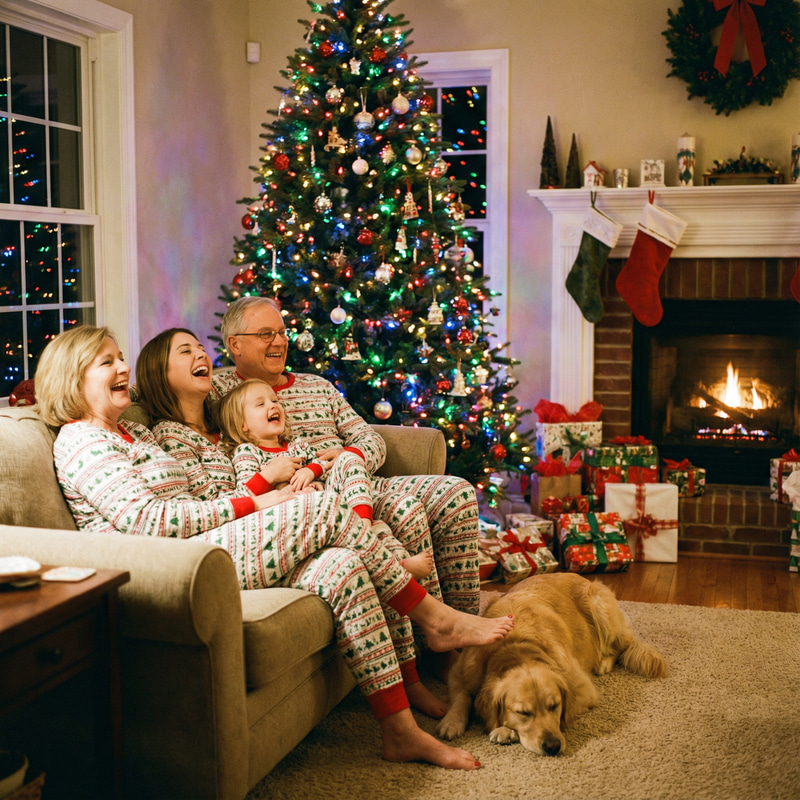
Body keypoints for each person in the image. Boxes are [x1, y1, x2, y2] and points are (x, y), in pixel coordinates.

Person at [34, 325, 514, 769]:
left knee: (342, 565)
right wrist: (255, 501)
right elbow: (149, 520)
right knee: (318, 508)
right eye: (107, 362)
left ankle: (400, 731)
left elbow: (199, 488)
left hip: (207, 539)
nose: (123, 367)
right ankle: (435, 618)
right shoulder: (83, 441)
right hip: (171, 562)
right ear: (72, 380)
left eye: (121, 357)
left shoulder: (133, 430)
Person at [134, 327, 467, 721]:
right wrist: (265, 484)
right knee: (345, 535)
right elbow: (205, 507)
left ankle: (424, 671)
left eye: (200, 347)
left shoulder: (221, 416)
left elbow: (323, 436)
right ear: (160, 373)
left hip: (299, 500)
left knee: (391, 514)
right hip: (247, 531)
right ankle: (427, 620)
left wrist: (328, 460)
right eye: (185, 351)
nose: (201, 354)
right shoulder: (170, 435)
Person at [212, 296, 483, 626]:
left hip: (361, 481)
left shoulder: (318, 385)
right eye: (266, 334)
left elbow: (370, 439)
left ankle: (466, 621)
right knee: (405, 508)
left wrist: (351, 456)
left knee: (457, 492)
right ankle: (435, 635)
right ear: (235, 345)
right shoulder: (219, 393)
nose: (280, 342)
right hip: (315, 500)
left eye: (282, 332)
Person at [216, 376, 434, 581]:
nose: (273, 406)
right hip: (302, 516)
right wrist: (278, 483)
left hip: (334, 501)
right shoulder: (247, 452)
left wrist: (311, 470)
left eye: (274, 400)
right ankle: (376, 550)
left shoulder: (296, 445)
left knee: (350, 462)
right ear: (243, 424)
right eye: (260, 404)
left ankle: (383, 547)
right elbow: (249, 494)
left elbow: (323, 463)